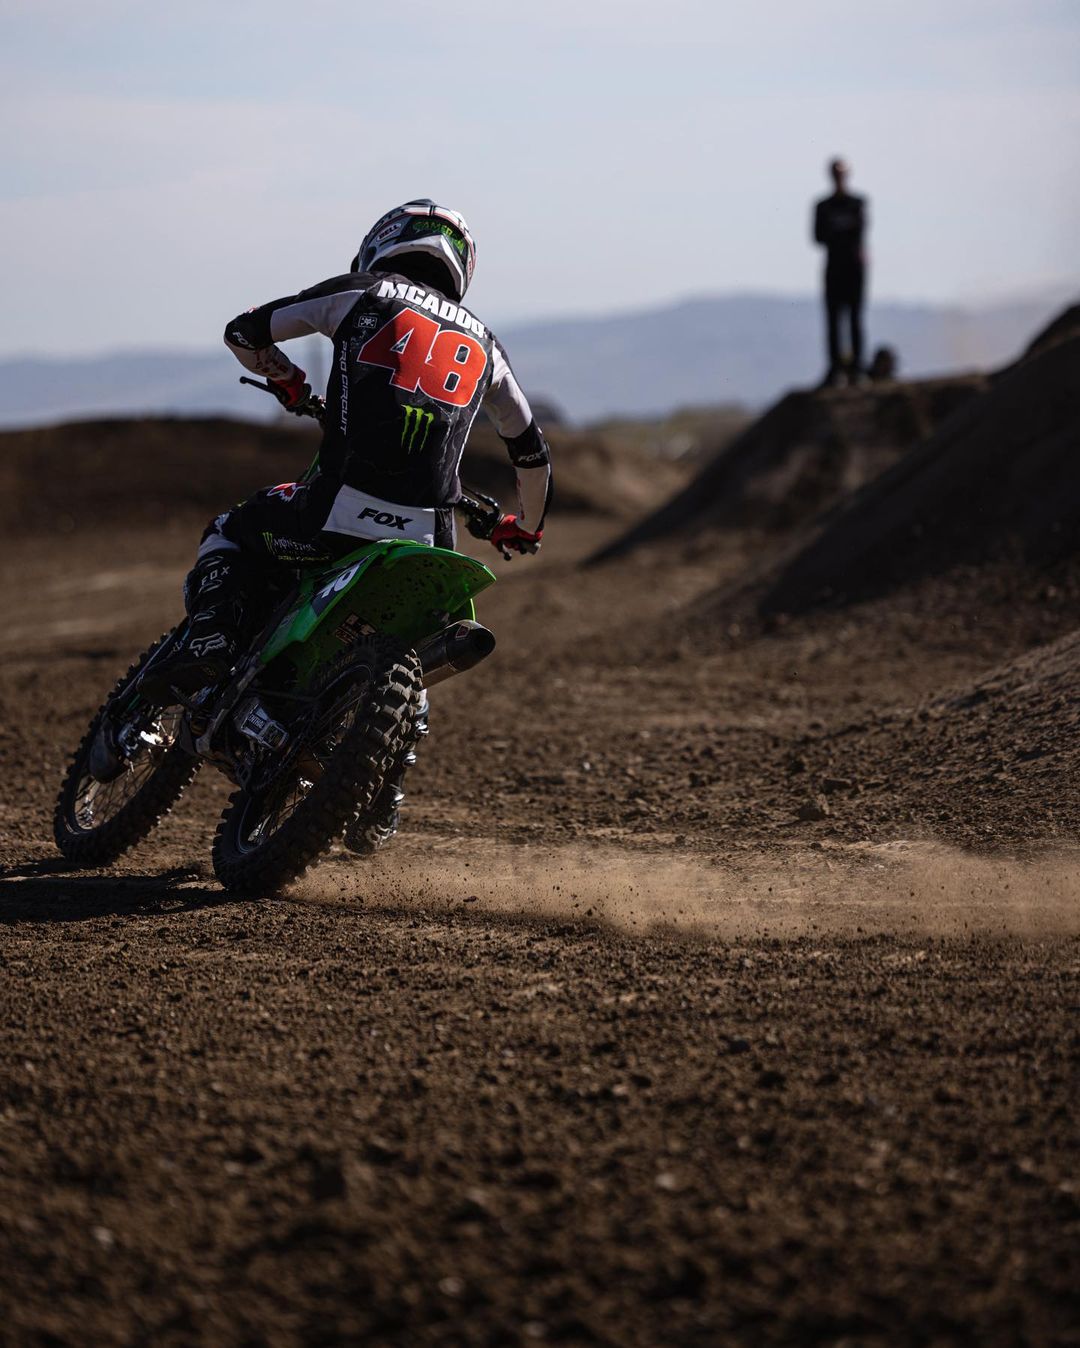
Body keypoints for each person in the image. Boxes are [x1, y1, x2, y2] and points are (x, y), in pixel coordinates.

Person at [141, 199, 552, 699]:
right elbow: (533, 455)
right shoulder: (487, 344)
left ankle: (211, 642)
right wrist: (525, 526)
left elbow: (243, 333)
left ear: (385, 240)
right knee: (416, 635)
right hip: (433, 540)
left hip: (333, 515)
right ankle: (402, 730)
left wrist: (289, 381)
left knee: (229, 530)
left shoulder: (362, 290)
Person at [813, 158, 868, 386]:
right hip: (834, 269)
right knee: (833, 320)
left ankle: (856, 368)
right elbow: (818, 237)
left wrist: (838, 234)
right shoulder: (823, 206)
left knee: (855, 318)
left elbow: (860, 232)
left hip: (853, 269)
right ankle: (836, 368)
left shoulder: (857, 203)